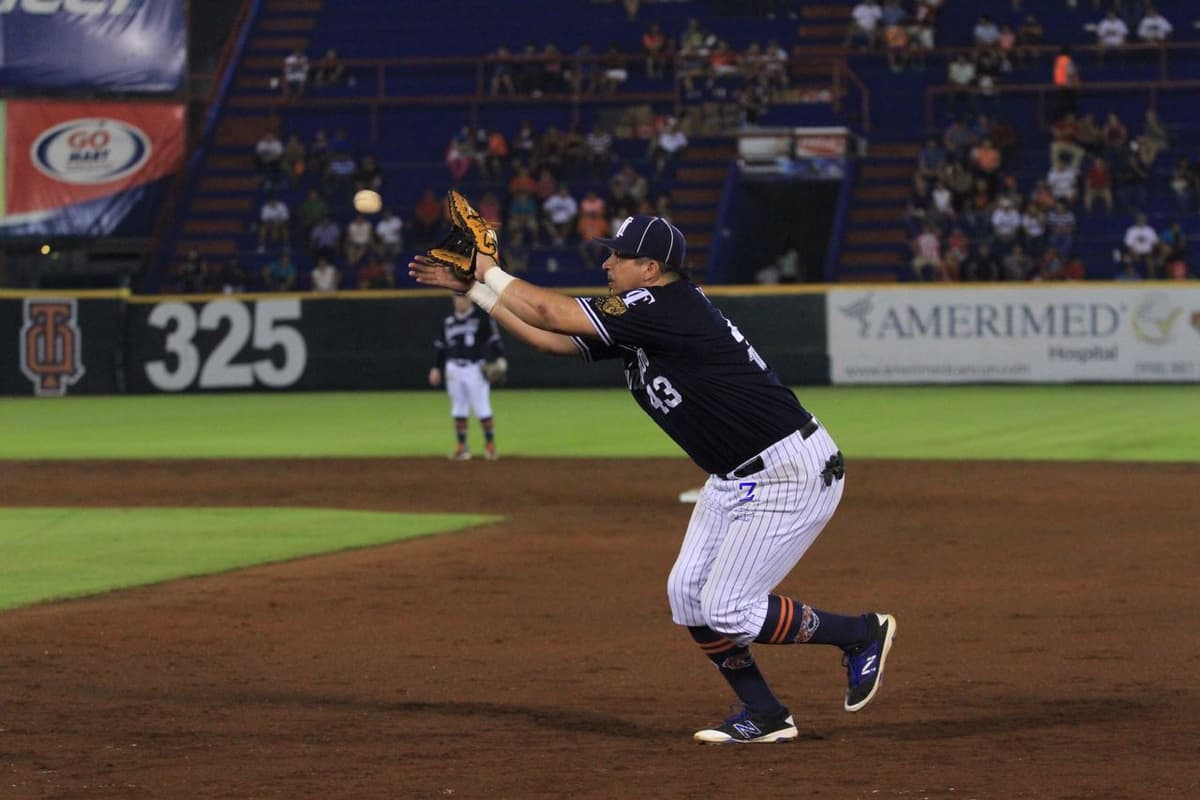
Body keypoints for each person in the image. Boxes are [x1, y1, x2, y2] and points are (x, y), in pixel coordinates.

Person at [409, 209, 897, 742]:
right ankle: (766, 714)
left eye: (618, 255)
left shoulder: (667, 305)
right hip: (734, 476)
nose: (607, 262)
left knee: (728, 608)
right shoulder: (640, 314)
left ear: (650, 268)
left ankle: (858, 633)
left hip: (788, 472)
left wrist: (488, 271)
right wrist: (478, 290)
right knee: (689, 597)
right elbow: (552, 339)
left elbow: (550, 311)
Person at [429, 293, 506, 461]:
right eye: (456, 298)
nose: (459, 301)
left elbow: (494, 340)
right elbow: (440, 347)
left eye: (462, 297)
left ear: (470, 299)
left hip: (475, 368)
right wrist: (436, 367)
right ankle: (462, 447)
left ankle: (490, 446)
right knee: (458, 408)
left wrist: (500, 357)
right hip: (453, 368)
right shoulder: (448, 321)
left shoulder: (481, 319)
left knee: (482, 408)